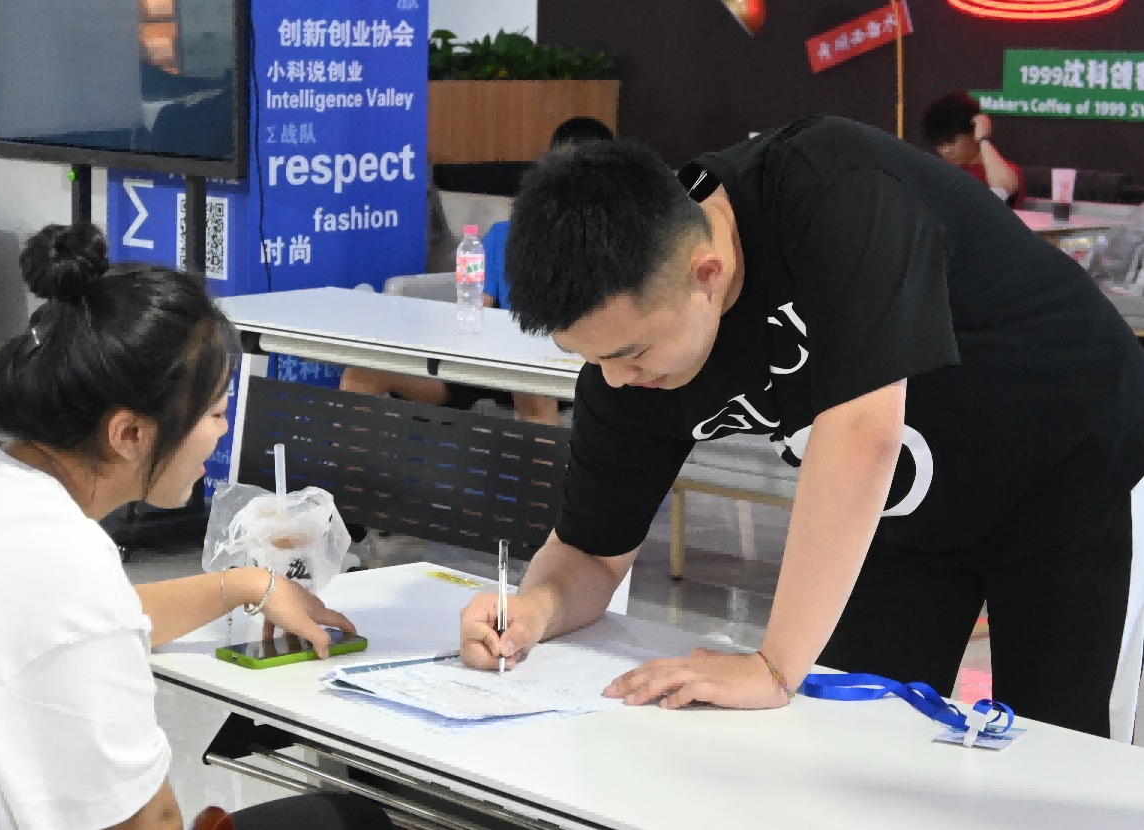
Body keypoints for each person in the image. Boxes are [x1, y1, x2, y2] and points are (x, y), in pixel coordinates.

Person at [457, 116, 1144, 744]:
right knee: (852, 740)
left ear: (706, 274)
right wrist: (534, 610)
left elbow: (863, 433)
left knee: (1050, 745)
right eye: (591, 359)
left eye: (629, 354)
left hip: (1062, 460)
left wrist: (773, 665)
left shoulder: (836, 193)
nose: (614, 381)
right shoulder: (631, 361)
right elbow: (591, 551)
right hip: (900, 509)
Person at [0, 225, 392, 830]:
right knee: (346, 819)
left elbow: (84, 621)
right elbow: (145, 820)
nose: (222, 431)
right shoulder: (60, 565)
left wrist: (249, 585)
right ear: (129, 434)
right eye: (215, 412)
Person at [339, 116, 616, 428]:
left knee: (527, 382)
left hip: (563, 368)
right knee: (362, 373)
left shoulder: (615, 245)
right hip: (492, 366)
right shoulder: (504, 236)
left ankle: (543, 460)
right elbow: (474, 308)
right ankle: (347, 460)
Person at [922, 91, 1025, 205]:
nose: (945, 150)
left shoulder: (1006, 171)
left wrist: (983, 139)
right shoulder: (943, 174)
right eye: (939, 144)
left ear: (973, 131)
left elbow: (1002, 191)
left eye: (951, 141)